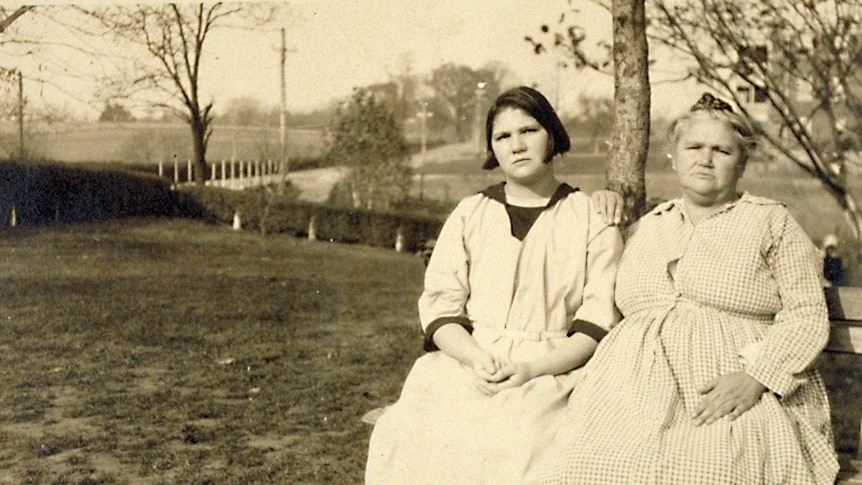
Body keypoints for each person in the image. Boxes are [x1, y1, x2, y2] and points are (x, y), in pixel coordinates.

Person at [539, 93, 839, 485]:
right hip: (628, 398)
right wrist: (602, 207)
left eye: (722, 150)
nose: (706, 158)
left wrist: (757, 378)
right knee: (580, 467)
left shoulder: (771, 222)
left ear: (742, 161)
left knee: (709, 469)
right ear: (675, 156)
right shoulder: (647, 226)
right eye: (694, 147)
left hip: (729, 390)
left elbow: (806, 314)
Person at [365, 86, 623, 484]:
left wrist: (531, 368)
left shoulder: (591, 218)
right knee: (405, 434)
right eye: (503, 137)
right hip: (469, 361)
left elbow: (596, 321)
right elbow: (441, 308)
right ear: (492, 148)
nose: (517, 145)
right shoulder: (471, 213)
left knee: (519, 448)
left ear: (552, 136)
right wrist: (474, 358)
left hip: (552, 370)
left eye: (529, 130)